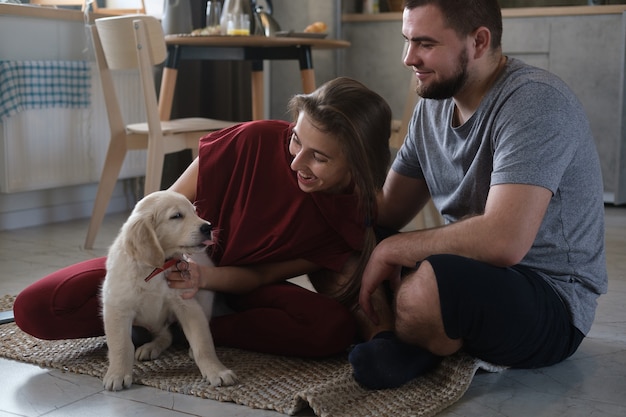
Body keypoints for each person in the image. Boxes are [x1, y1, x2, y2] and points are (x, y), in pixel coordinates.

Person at [13, 77, 392, 358]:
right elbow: (164, 205)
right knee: (35, 309)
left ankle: (195, 332)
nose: (296, 162)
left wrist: (204, 279)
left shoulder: (347, 220)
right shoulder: (252, 140)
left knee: (330, 329)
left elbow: (260, 276)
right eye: (296, 139)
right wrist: (171, 273)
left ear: (357, 167)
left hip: (235, 288)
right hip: (163, 267)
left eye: (319, 157)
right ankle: (162, 323)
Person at [348, 0, 608, 390]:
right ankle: (404, 341)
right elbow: (386, 210)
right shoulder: (431, 108)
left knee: (425, 287)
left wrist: (392, 251)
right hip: (468, 270)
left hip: (549, 295)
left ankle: (409, 333)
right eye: (407, 41)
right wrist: (316, 174)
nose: (408, 58)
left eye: (425, 44)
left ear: (479, 42)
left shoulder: (535, 102)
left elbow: (503, 241)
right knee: (349, 241)